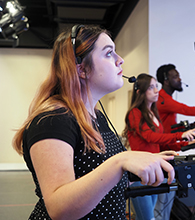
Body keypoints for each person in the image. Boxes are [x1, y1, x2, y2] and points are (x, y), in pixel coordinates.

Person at [12, 25, 177, 220]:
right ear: (81, 68)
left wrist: (145, 164)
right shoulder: (52, 120)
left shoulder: (96, 116)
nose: (120, 59)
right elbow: (59, 209)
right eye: (109, 53)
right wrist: (120, 162)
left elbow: (99, 179)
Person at [123, 73, 195, 220]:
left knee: (149, 216)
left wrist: (185, 145)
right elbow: (150, 137)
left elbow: (161, 143)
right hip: (140, 173)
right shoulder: (134, 113)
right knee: (147, 218)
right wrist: (180, 135)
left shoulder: (152, 113)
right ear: (140, 92)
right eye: (151, 87)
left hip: (154, 171)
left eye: (156, 87)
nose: (156, 91)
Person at [155, 63, 195, 220]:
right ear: (166, 80)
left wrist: (183, 143)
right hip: (162, 154)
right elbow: (186, 109)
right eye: (175, 76)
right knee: (161, 205)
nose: (180, 79)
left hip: (169, 149)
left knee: (166, 203)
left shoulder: (166, 98)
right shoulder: (163, 99)